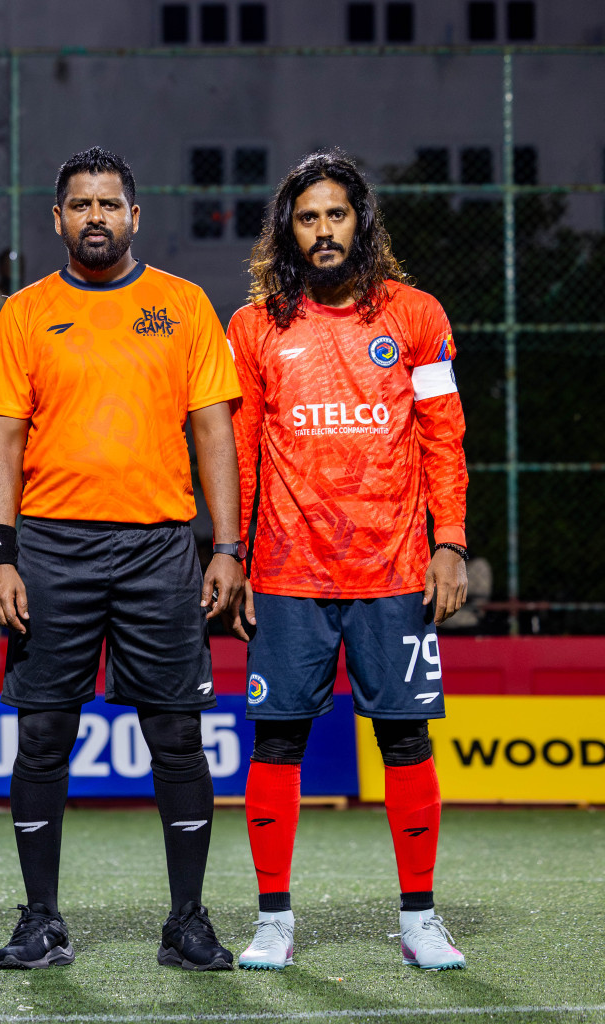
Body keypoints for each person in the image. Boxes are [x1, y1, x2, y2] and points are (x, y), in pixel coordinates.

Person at [0, 147, 247, 973]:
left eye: (110, 204)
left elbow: (214, 432)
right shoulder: (25, 313)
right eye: (80, 205)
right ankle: (40, 920)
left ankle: (189, 922)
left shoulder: (184, 304)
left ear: (136, 216)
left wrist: (227, 545)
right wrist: (0, 553)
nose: (95, 216)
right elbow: (3, 441)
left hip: (160, 548)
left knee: (175, 734)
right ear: (56, 220)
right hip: (52, 548)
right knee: (43, 735)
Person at [230, 150, 469, 972]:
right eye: (307, 217)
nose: (323, 230)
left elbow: (444, 437)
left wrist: (450, 542)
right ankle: (272, 919)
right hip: (288, 574)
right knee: (277, 742)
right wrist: (232, 554)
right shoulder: (256, 325)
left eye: (336, 214)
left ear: (360, 222)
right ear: (287, 231)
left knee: (404, 741)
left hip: (395, 569)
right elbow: (240, 452)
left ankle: (419, 917)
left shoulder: (416, 316)